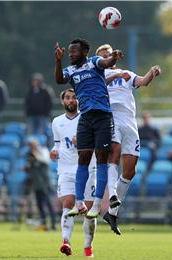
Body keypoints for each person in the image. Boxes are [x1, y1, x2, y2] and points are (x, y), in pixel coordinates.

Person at [95, 44, 161, 235]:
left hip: (130, 120)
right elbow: (101, 85)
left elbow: (141, 81)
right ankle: (113, 194)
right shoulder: (98, 75)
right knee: (114, 154)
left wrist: (151, 72)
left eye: (109, 54)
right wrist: (115, 75)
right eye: (104, 57)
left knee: (130, 170)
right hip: (111, 116)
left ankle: (112, 211)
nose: (107, 58)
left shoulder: (126, 73)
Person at [54, 38, 122, 218]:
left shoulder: (93, 62)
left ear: (84, 52)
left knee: (101, 159)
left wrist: (113, 57)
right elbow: (59, 80)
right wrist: (58, 60)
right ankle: (79, 203)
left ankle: (97, 204)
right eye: (69, 52)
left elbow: (106, 62)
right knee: (83, 158)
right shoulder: (70, 70)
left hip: (102, 117)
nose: (71, 54)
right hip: (85, 117)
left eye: (74, 51)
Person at [50, 88, 97, 257]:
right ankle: (65, 242)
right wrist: (53, 152)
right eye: (68, 98)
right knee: (68, 203)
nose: (71, 100)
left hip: (87, 168)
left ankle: (87, 246)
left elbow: (98, 140)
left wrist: (84, 140)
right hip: (65, 169)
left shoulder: (87, 118)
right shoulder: (56, 122)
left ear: (79, 100)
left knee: (89, 211)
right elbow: (58, 144)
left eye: (74, 97)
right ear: (63, 101)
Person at [24, 138, 56, 231]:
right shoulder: (29, 155)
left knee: (48, 204)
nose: (30, 147)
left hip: (45, 183)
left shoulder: (43, 151)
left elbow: (46, 161)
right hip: (36, 184)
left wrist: (36, 155)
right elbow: (30, 166)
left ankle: (53, 225)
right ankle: (44, 225)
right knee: (40, 205)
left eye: (32, 145)